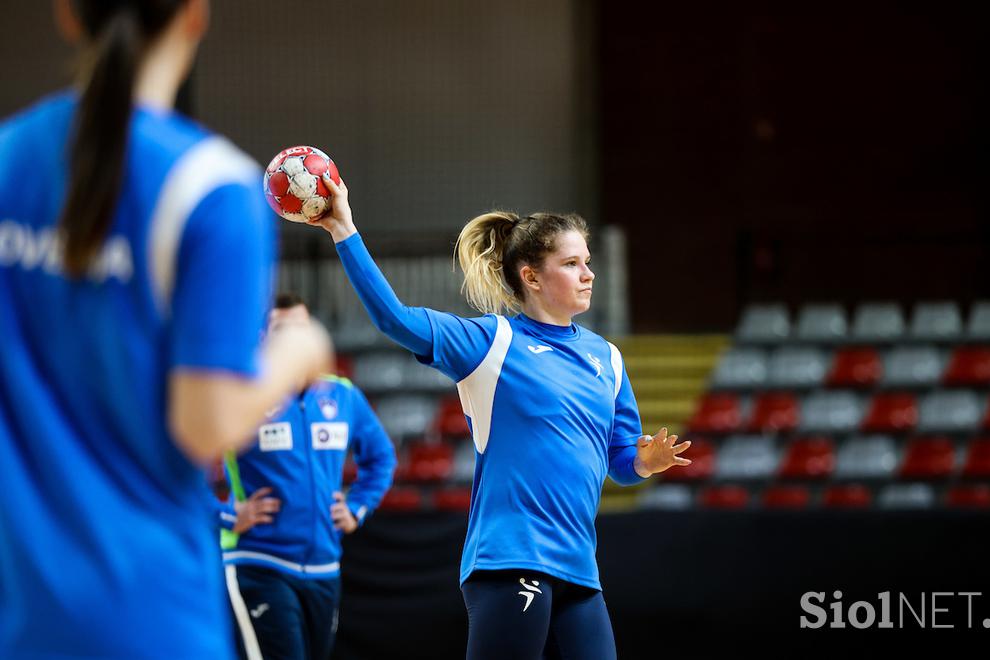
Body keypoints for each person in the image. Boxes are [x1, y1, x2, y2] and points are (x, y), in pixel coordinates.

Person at [0, 1, 331, 657]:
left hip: (20, 611)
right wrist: (298, 350)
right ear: (195, 16)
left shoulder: (8, 159)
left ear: (68, 15)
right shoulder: (214, 189)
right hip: (149, 615)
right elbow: (206, 425)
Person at [307, 174, 691, 659]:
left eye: (587, 262)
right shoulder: (491, 343)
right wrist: (344, 228)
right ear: (531, 276)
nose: (589, 274)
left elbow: (619, 460)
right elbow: (394, 320)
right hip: (511, 559)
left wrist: (645, 463)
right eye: (571, 264)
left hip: (578, 568)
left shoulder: (608, 358)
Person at [217, 293, 397, 660]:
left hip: (324, 568)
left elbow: (381, 458)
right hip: (259, 562)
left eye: (302, 328)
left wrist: (357, 507)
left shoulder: (342, 395)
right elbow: (179, 470)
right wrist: (226, 515)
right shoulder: (240, 392)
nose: (294, 340)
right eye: (282, 330)